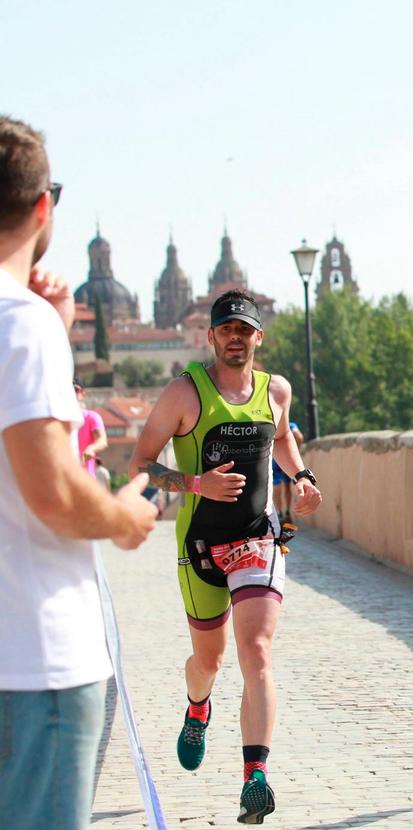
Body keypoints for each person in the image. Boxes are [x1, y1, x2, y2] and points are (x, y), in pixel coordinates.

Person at [0, 114, 157, 830]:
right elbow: (56, 496)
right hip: (36, 662)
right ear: (42, 208)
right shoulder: (20, 323)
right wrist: (128, 516)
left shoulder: (31, 325)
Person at [130, 289, 322, 825]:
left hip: (258, 539)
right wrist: (195, 482)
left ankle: (254, 777)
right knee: (208, 662)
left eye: (245, 329)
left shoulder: (275, 390)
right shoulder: (183, 393)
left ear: (259, 337)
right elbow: (140, 464)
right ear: (210, 337)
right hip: (200, 548)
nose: (235, 337)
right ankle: (198, 707)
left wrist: (302, 476)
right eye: (226, 329)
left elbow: (282, 439)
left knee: (256, 650)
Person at [270, 421, 304, 524]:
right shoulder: (290, 425)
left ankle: (279, 513)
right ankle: (287, 511)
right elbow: (299, 436)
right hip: (287, 460)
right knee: (287, 486)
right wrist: (294, 451)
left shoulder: (271, 423)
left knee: (276, 485)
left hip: (275, 460)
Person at [74, 377, 107, 476]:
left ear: (82, 394)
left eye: (75, 390)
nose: (71, 393)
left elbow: (102, 441)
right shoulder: (57, 420)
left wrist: (91, 449)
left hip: (86, 479)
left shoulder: (91, 417)